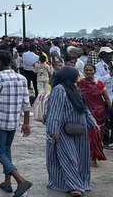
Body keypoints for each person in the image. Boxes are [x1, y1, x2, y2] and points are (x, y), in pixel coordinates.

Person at [0, 51, 33, 196]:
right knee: (6, 150)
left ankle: (20, 180)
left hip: (0, 120)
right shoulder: (21, 78)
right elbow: (26, 102)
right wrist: (26, 122)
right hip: (14, 120)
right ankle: (7, 182)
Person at [46, 66, 99, 196]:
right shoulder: (59, 90)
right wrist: (53, 130)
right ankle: (74, 186)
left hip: (80, 131)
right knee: (69, 158)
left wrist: (93, 123)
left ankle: (79, 182)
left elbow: (84, 109)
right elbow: (55, 111)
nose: (78, 77)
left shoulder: (75, 89)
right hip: (63, 131)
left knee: (81, 158)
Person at [78, 63, 110, 167]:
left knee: (98, 136)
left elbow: (107, 98)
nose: (88, 72)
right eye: (86, 70)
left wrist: (111, 110)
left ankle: (95, 155)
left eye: (90, 70)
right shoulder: (80, 84)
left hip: (100, 114)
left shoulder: (100, 84)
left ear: (95, 71)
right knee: (90, 135)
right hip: (87, 113)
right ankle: (92, 158)